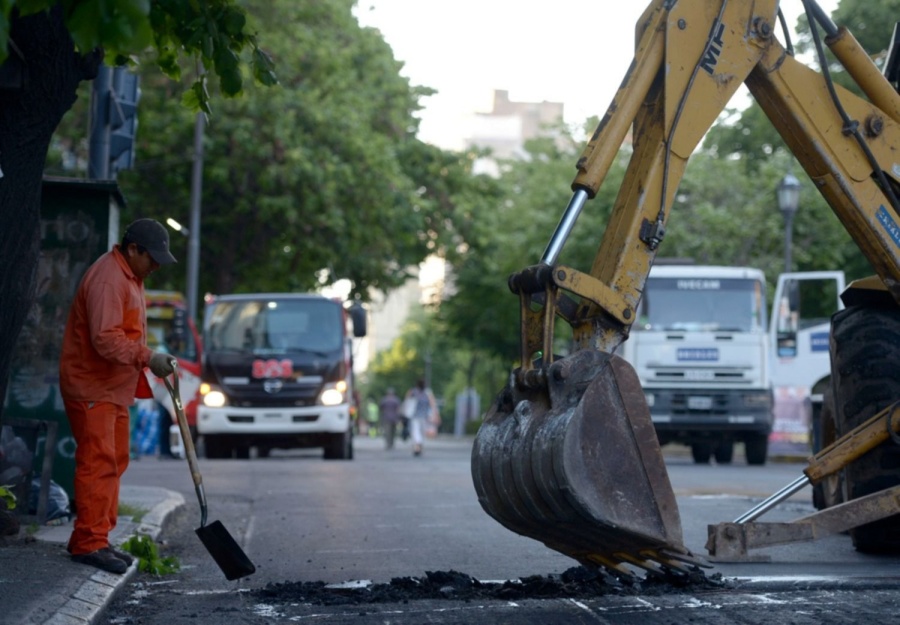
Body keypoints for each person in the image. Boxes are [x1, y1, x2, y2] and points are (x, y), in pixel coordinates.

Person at [59, 218, 177, 574]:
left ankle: (100, 538)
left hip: (112, 388)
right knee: (98, 464)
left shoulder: (131, 277)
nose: (155, 265)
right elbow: (106, 339)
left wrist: (149, 358)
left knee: (114, 461)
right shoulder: (110, 279)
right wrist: (147, 356)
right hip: (92, 386)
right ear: (132, 249)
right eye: (151, 258)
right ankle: (88, 543)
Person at [404, 379, 438, 456]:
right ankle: (419, 446)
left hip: (415, 416)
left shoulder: (413, 391)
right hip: (424, 416)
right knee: (422, 432)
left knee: (415, 431)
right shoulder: (427, 392)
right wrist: (434, 414)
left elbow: (406, 400)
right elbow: (433, 404)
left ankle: (417, 446)